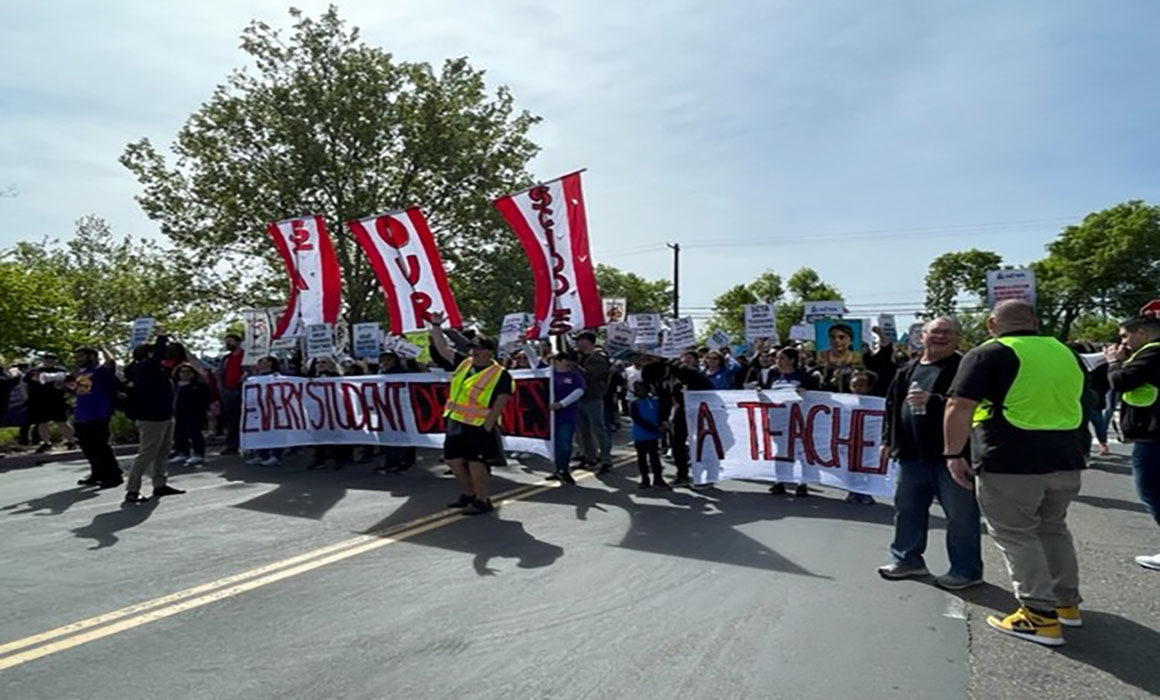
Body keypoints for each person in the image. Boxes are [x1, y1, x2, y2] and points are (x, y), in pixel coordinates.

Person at [944, 300, 1089, 646]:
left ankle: (1039, 615)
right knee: (1053, 528)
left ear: (991, 323)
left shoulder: (988, 353)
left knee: (1016, 535)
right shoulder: (1065, 352)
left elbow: (959, 405)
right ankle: (1066, 604)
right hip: (1066, 457)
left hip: (1011, 459)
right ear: (1035, 322)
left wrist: (952, 454)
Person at [877, 317, 982, 589]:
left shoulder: (965, 368)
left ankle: (966, 570)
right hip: (912, 456)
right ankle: (907, 559)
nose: (941, 337)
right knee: (907, 510)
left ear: (958, 338)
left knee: (960, 516)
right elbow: (892, 406)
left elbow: (974, 406)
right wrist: (888, 440)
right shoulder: (907, 369)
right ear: (922, 336)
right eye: (935, 332)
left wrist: (933, 402)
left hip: (953, 457)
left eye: (949, 332)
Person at [429, 311, 513, 515]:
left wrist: (487, 425)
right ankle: (469, 494)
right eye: (472, 348)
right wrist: (436, 326)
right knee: (453, 461)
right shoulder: (464, 363)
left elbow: (501, 401)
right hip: (456, 421)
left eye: (478, 349)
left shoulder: (500, 374)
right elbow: (442, 348)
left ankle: (483, 500)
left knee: (476, 462)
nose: (474, 352)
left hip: (479, 425)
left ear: (489, 353)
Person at [1104, 316, 1160, 570]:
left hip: (1153, 435)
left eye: (1126, 336)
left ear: (1143, 334)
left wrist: (1114, 363)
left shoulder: (1152, 354)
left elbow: (1122, 381)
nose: (1122, 342)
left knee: (1151, 491)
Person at [124, 334, 185, 504]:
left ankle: (160, 484)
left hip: (164, 414)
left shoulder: (153, 369)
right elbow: (158, 354)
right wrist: (161, 338)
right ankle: (132, 490)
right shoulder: (143, 367)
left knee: (163, 452)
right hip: (151, 417)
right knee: (147, 453)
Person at [69, 347, 123, 488]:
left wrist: (103, 347)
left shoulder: (101, 371)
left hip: (98, 414)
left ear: (92, 356)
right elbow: (83, 392)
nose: (78, 359)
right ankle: (97, 473)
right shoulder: (83, 373)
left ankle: (113, 476)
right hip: (82, 415)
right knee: (88, 447)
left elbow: (111, 361)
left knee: (101, 446)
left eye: (81, 356)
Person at [305, 356, 354, 470]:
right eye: (318, 363)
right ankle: (319, 459)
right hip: (318, 413)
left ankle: (340, 459)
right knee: (318, 437)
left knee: (336, 436)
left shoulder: (337, 378)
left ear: (331, 365)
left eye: (324, 362)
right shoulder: (311, 378)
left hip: (334, 411)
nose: (320, 365)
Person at [575, 331, 613, 473]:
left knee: (598, 429)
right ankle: (589, 457)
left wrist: (576, 367)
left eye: (580, 340)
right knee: (583, 430)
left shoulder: (598, 357)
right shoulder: (582, 356)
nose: (578, 343)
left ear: (587, 341)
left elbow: (592, 376)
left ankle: (605, 460)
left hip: (593, 397)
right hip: (580, 397)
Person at [374, 351, 417, 475]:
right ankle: (391, 462)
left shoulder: (404, 373)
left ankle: (406, 461)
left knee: (404, 438)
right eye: (383, 360)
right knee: (388, 438)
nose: (385, 363)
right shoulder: (379, 375)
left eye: (388, 360)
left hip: (402, 411)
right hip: (385, 411)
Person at [548, 352, 586, 485]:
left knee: (564, 444)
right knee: (555, 445)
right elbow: (533, 361)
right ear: (557, 361)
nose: (570, 363)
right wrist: (525, 344)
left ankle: (564, 469)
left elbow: (580, 391)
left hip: (567, 415)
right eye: (566, 360)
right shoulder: (548, 373)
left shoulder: (574, 375)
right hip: (550, 416)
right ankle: (558, 469)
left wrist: (561, 404)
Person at [26, 353, 75, 453]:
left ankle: (71, 441)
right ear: (43, 360)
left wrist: (64, 388)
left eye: (52, 359)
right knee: (42, 423)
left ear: (55, 361)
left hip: (57, 401)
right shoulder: (35, 371)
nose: (49, 361)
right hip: (40, 401)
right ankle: (46, 443)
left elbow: (70, 384)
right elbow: (26, 383)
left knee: (62, 422)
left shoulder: (61, 371)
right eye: (47, 359)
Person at [630, 380, 668, 489]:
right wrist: (654, 428)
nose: (640, 392)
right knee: (642, 458)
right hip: (641, 435)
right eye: (638, 389)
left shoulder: (655, 402)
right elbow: (637, 419)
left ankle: (658, 479)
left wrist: (661, 427)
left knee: (654, 458)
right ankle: (645, 479)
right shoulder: (634, 404)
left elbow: (660, 415)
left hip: (653, 435)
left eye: (643, 389)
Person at [171, 363, 210, 468]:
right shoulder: (175, 386)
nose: (185, 374)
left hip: (194, 414)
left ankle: (199, 454)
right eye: (182, 372)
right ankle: (183, 453)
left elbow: (205, 400)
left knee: (195, 434)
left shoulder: (199, 386)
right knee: (179, 434)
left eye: (188, 371)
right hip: (178, 414)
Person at [217, 334, 245, 456]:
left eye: (231, 341)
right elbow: (220, 373)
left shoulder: (247, 356)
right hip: (229, 391)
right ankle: (232, 445)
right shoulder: (226, 358)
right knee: (231, 419)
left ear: (238, 342)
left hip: (243, 390)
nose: (228, 344)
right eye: (226, 342)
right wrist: (221, 388)